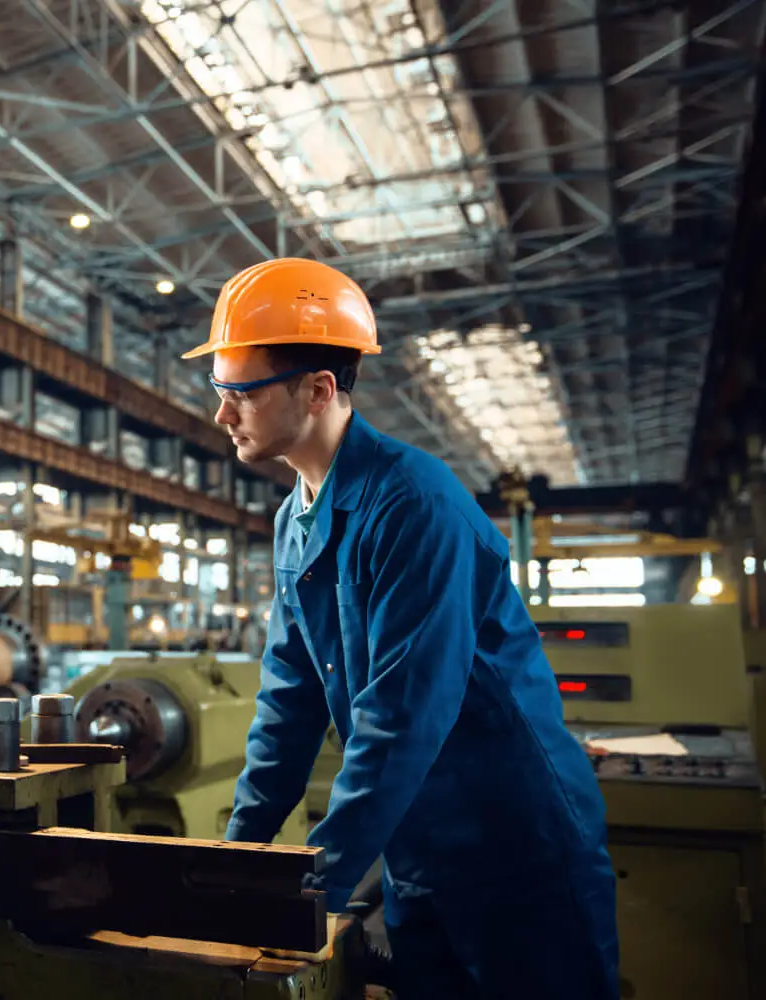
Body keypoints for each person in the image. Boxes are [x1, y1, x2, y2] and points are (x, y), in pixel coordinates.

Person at [181, 258, 619, 999]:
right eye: (219, 392)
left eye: (239, 394)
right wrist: (241, 859)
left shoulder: (415, 506)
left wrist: (307, 890)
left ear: (318, 390)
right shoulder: (296, 520)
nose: (222, 415)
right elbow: (288, 702)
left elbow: (402, 723)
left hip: (517, 847)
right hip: (418, 848)